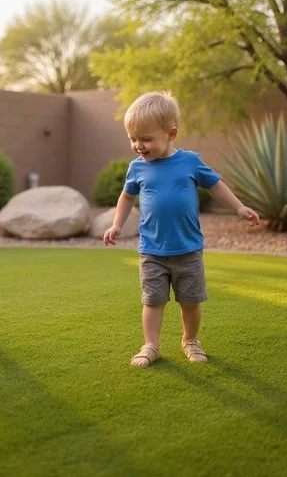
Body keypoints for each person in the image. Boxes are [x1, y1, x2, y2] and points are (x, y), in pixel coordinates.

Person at [103, 91, 260, 367]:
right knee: (153, 301)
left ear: (171, 133)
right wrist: (117, 224)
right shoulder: (137, 167)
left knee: (190, 301)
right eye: (133, 139)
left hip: (187, 249)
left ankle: (190, 340)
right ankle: (150, 344)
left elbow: (215, 185)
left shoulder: (190, 162)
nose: (138, 145)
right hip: (152, 250)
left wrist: (239, 207)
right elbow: (126, 196)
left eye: (146, 139)